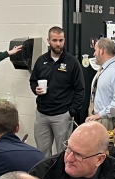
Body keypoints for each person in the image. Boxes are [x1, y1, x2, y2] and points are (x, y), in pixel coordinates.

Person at [29, 26, 84, 155]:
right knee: (42, 153)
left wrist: (71, 112)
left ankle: (61, 176)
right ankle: (44, 176)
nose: (58, 44)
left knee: (63, 154)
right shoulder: (41, 61)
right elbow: (33, 81)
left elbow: (80, 90)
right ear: (48, 41)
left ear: (64, 40)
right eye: (54, 40)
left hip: (62, 115)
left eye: (61, 40)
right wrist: (35, 89)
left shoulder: (72, 63)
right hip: (42, 115)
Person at [86, 37, 115, 130]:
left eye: (95, 50)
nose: (94, 54)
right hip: (97, 118)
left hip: (108, 121)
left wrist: (99, 115)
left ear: (102, 51)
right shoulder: (103, 70)